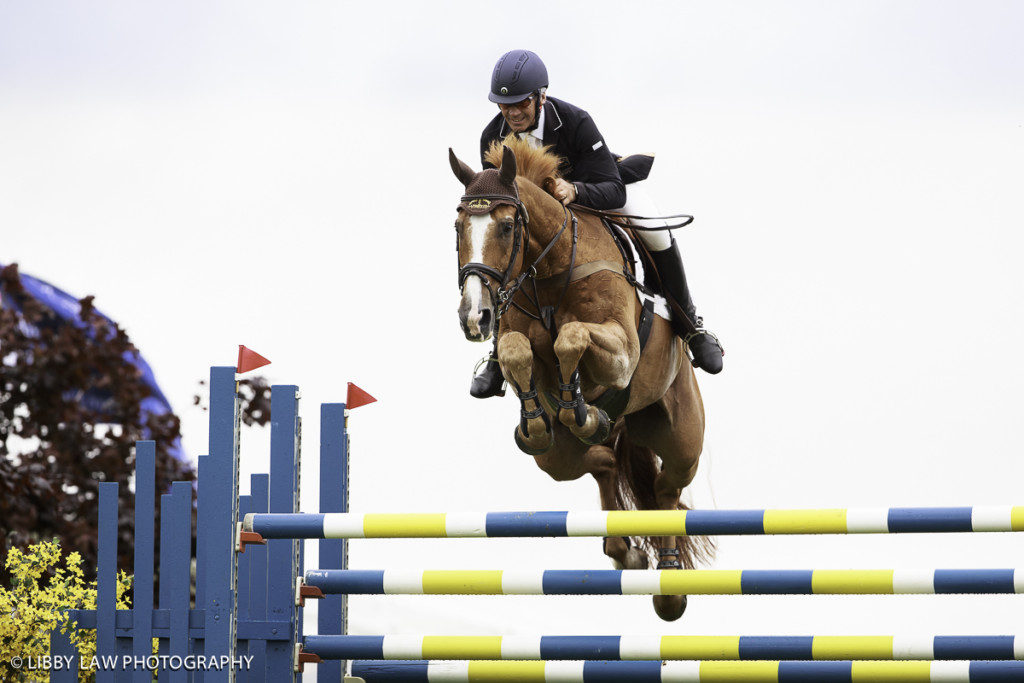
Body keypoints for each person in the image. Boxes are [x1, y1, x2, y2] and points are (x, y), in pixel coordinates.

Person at [469, 49, 724, 399]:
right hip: (540, 223)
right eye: (504, 105)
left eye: (521, 103)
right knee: (498, 248)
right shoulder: (492, 136)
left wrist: (576, 190)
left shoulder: (575, 121)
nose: (512, 112)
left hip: (596, 192)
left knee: (654, 227)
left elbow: (614, 191)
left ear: (541, 96)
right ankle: (499, 353)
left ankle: (690, 325)